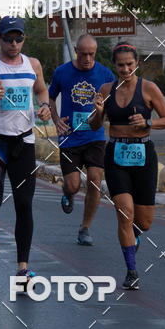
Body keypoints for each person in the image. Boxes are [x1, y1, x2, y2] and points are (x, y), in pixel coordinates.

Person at [0, 16, 51, 284]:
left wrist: (45, 106)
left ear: (24, 39)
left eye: (18, 38)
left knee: (24, 205)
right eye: (8, 38)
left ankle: (22, 269)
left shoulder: (34, 65)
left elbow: (41, 91)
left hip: (24, 143)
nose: (14, 43)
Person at [90, 41, 165, 289]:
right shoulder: (106, 88)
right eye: (120, 65)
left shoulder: (149, 89)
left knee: (144, 222)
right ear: (114, 66)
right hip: (116, 154)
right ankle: (131, 270)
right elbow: (95, 125)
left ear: (136, 64)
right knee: (124, 213)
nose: (125, 69)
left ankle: (135, 234)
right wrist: (97, 111)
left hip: (143, 155)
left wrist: (148, 123)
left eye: (129, 64)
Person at [48, 34, 115, 246]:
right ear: (76, 51)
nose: (87, 58)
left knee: (95, 180)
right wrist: (56, 119)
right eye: (83, 53)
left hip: (95, 136)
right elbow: (50, 97)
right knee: (74, 185)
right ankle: (67, 193)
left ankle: (85, 227)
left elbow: (114, 100)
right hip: (70, 136)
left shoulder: (105, 74)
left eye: (91, 54)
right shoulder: (62, 72)